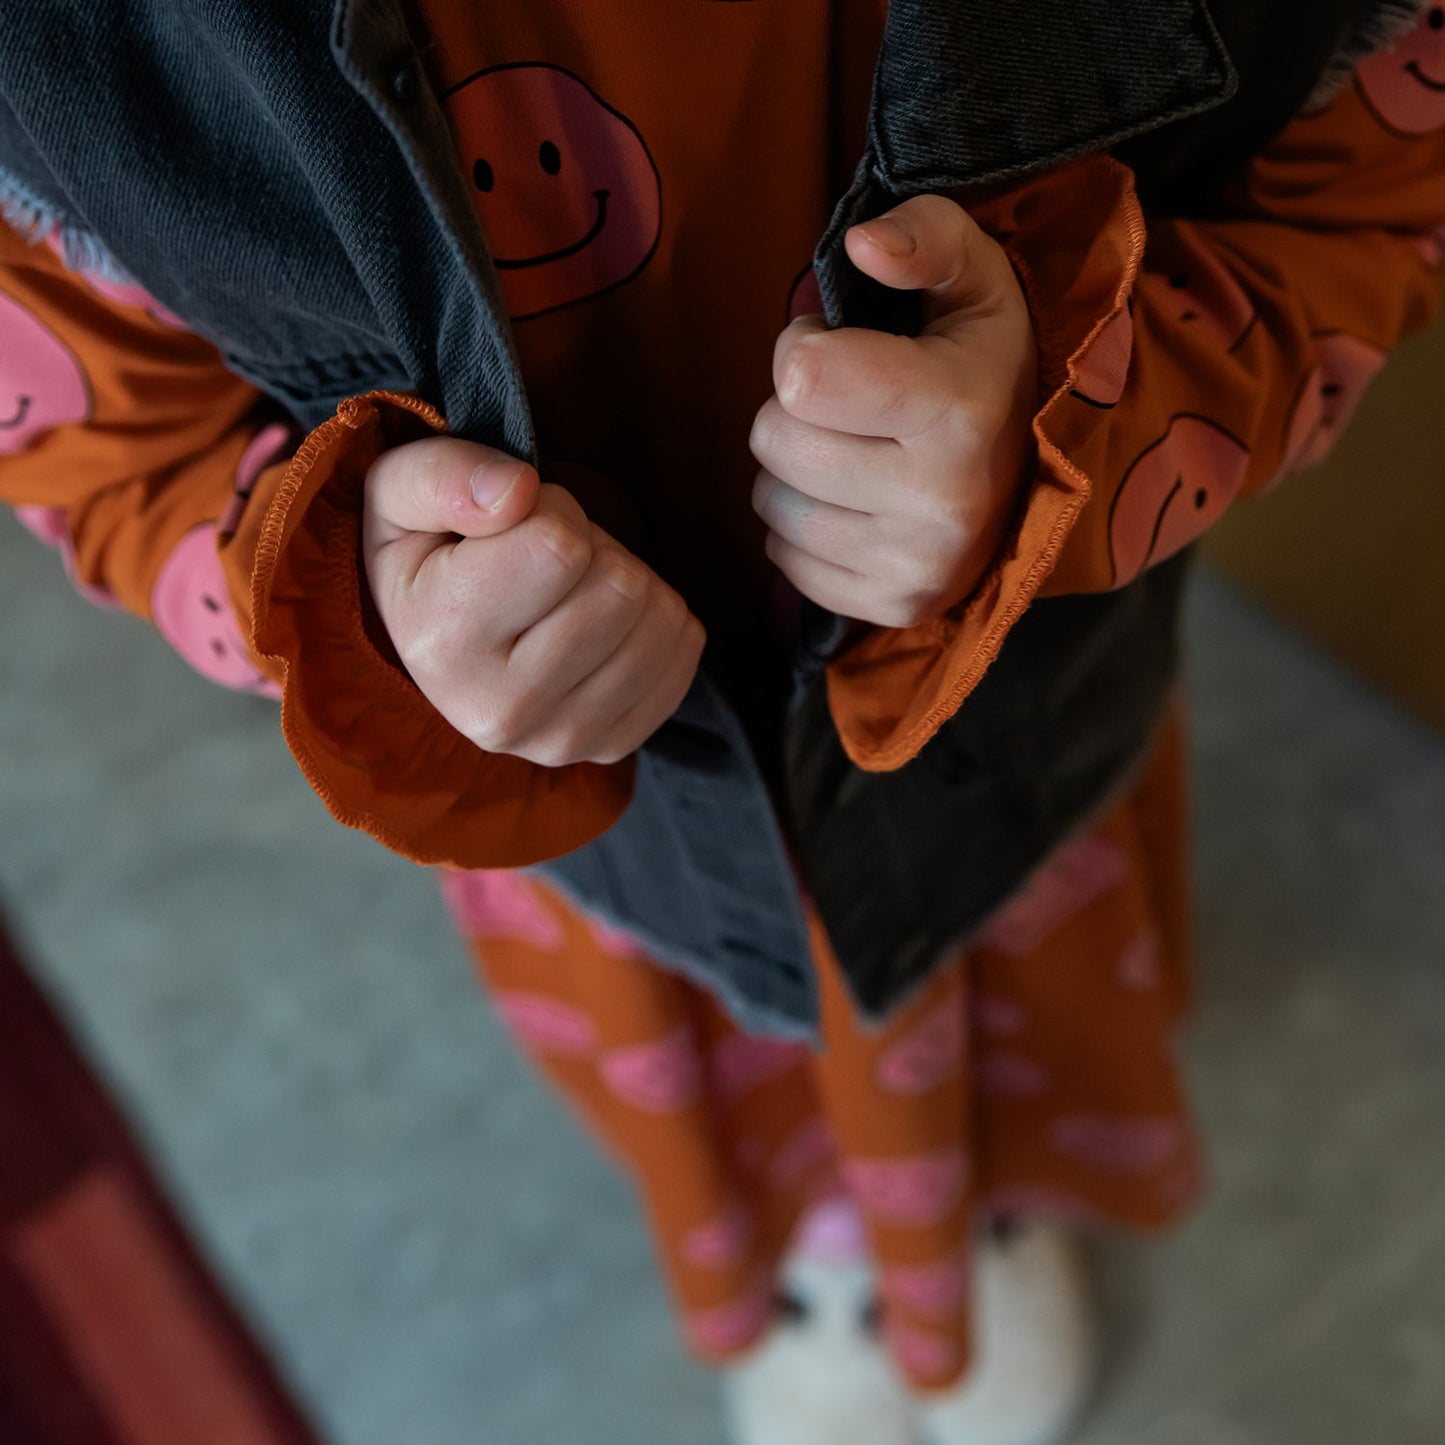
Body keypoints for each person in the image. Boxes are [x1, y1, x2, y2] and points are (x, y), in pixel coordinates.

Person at [2, 2, 1443, 1441]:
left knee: (1003, 999)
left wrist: (1074, 432)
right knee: (725, 1062)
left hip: (1008, 729)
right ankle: (826, 1251)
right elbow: (103, 445)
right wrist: (349, 590)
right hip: (615, 830)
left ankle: (982, 1215)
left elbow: (1369, 195)